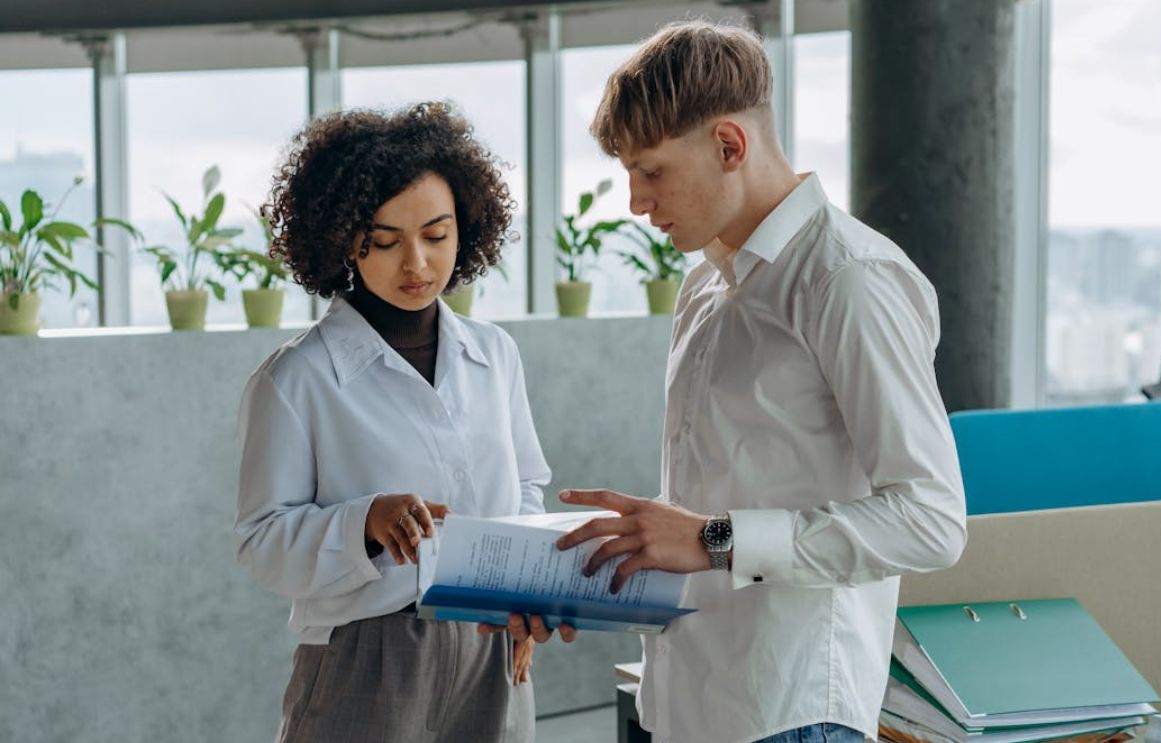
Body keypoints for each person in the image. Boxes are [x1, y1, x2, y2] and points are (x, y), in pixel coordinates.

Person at [548, 20, 968, 743]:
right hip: (687, 698)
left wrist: (711, 537)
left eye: (650, 171)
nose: (635, 203)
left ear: (728, 146)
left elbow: (930, 520)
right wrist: (642, 544)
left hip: (792, 710)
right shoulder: (704, 286)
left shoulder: (848, 280)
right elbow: (724, 507)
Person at [234, 102, 550, 743]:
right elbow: (261, 542)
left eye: (436, 236)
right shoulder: (295, 379)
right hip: (366, 656)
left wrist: (524, 594)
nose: (417, 265)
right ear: (342, 238)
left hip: (492, 645)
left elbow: (526, 489)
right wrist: (366, 523)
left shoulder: (495, 355)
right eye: (384, 241)